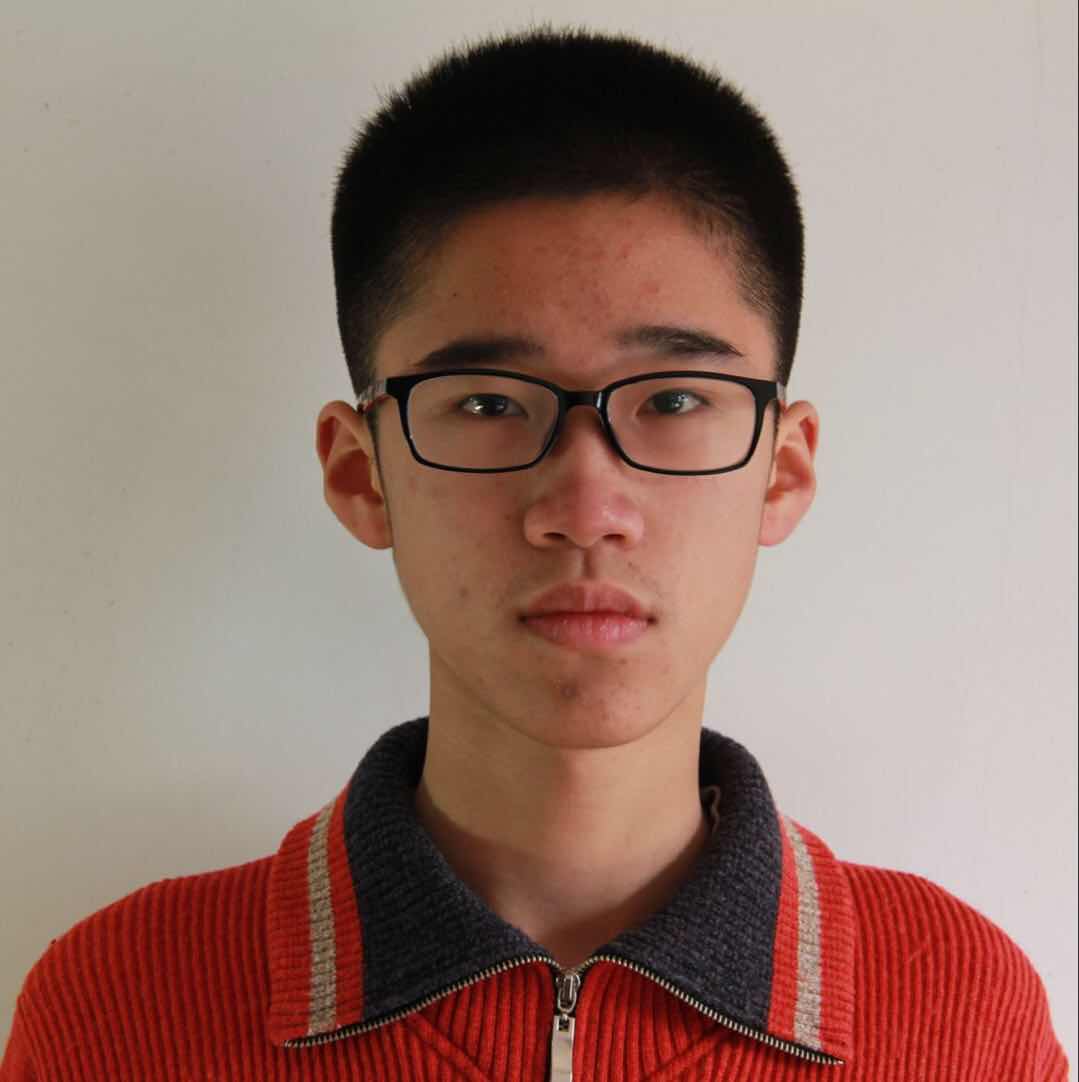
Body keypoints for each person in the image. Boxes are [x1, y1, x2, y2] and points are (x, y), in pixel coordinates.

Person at [1, 26, 1067, 1082]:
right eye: (485, 403)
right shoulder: (115, 1011)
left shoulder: (962, 1016)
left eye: (674, 400)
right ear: (361, 473)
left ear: (780, 470)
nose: (585, 507)